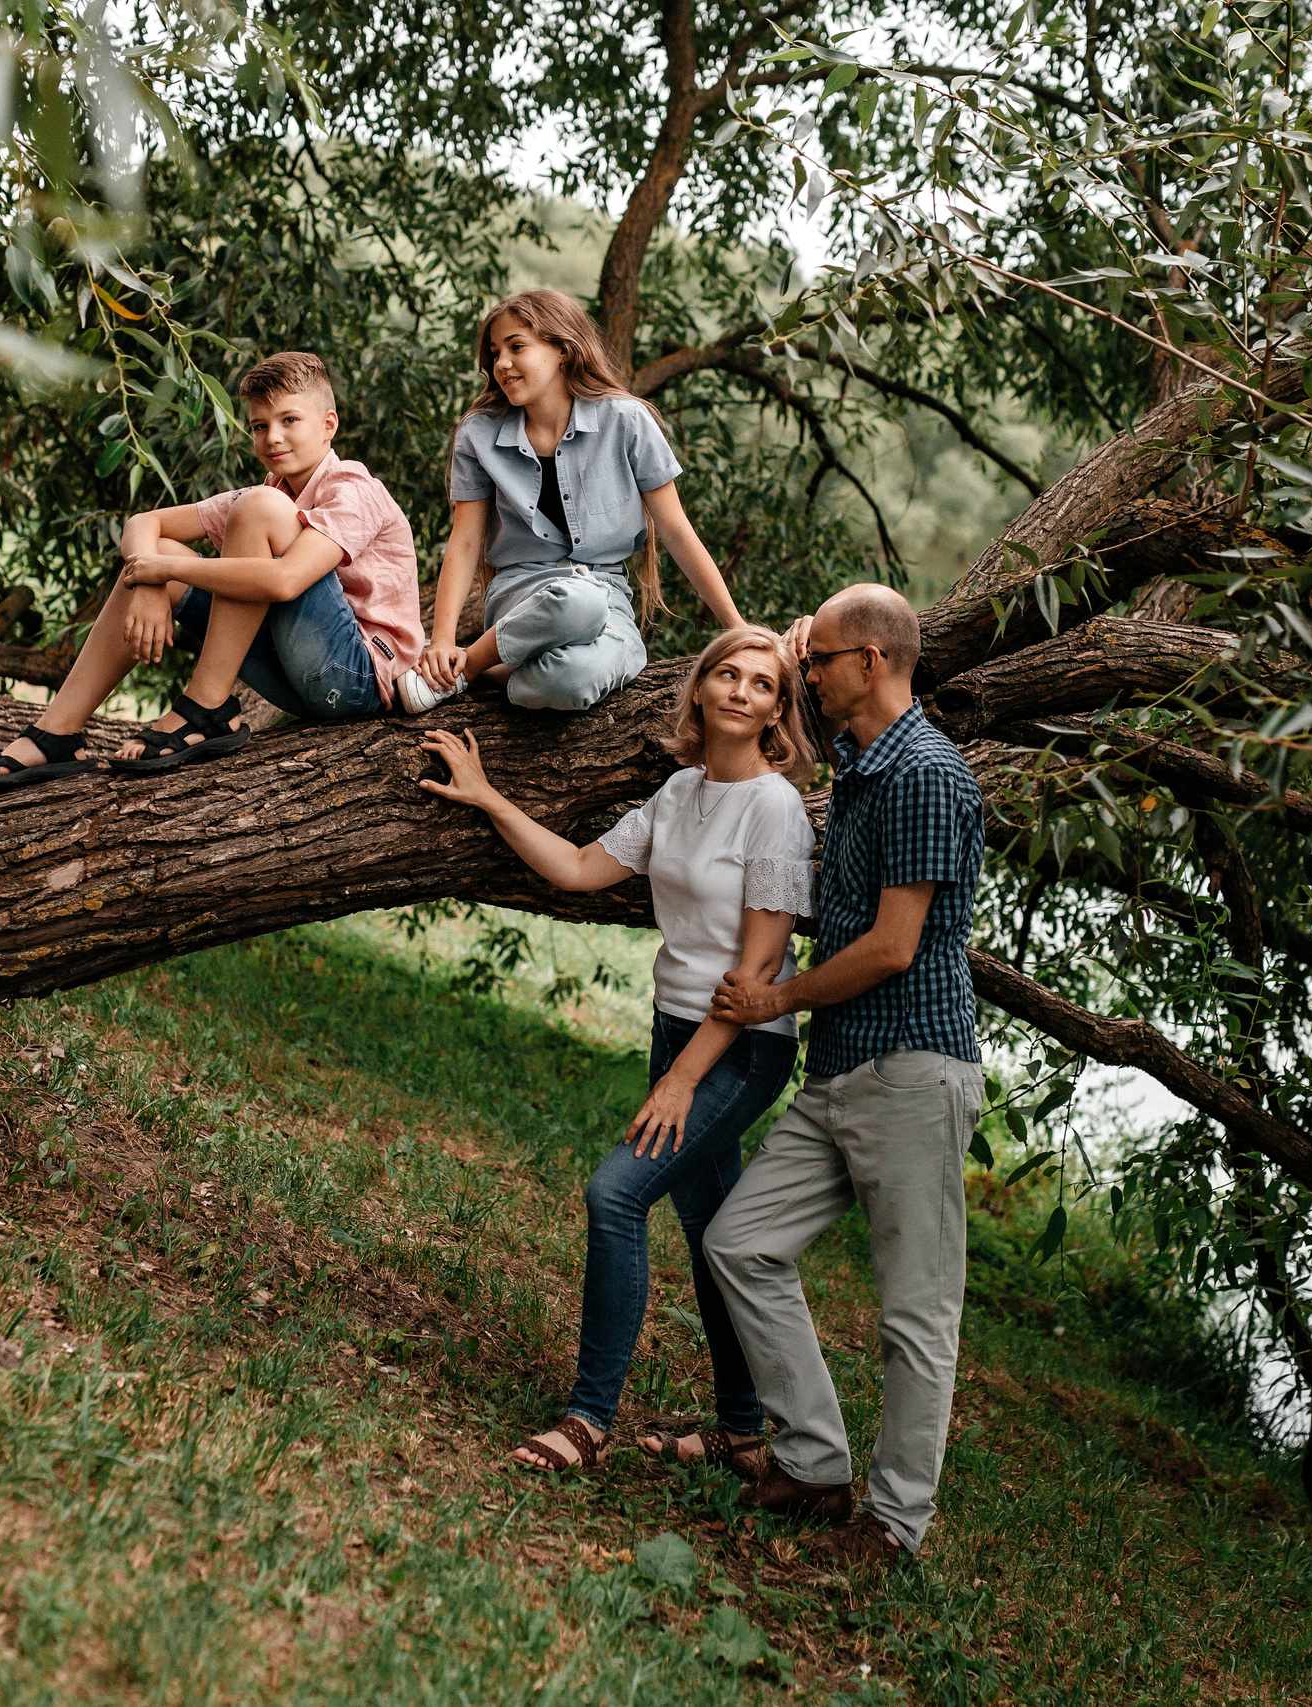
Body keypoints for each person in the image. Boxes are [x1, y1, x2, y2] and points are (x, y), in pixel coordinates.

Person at [416, 625, 817, 1475]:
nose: (745, 690)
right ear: (702, 689)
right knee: (713, 1233)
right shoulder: (679, 793)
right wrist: (488, 796)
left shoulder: (777, 807)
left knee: (616, 1194)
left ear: (780, 710)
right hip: (676, 1026)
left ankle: (588, 1420)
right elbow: (574, 866)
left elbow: (757, 970)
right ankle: (745, 1430)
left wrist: (680, 1079)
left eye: (765, 684)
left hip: (738, 1048)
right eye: (730, 675)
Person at [700, 583, 986, 1568]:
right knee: (741, 1242)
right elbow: (823, 726)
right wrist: (807, 643)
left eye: (814, 659)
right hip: (844, 1069)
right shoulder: (868, 759)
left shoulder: (927, 778)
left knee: (913, 1315)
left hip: (911, 1067)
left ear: (868, 663)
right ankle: (816, 1464)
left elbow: (894, 946)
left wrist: (780, 999)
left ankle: (894, 1527)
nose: (801, 670)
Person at [0, 351, 422, 792]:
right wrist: (149, 585)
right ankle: (56, 735)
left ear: (328, 425)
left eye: (289, 421)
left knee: (246, 513)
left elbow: (286, 581)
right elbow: (145, 523)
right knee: (174, 542)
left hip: (356, 679)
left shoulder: (353, 489)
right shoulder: (272, 492)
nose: (272, 437)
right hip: (299, 676)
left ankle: (206, 706)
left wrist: (162, 568)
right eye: (259, 426)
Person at [398, 289, 749, 716]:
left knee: (572, 681)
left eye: (516, 347)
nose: (501, 363)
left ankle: (475, 669)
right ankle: (463, 665)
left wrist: (738, 630)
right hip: (524, 595)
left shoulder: (627, 420)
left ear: (563, 349)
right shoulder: (479, 434)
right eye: (494, 353)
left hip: (609, 600)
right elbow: (466, 541)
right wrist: (441, 641)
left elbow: (677, 531)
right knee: (577, 602)